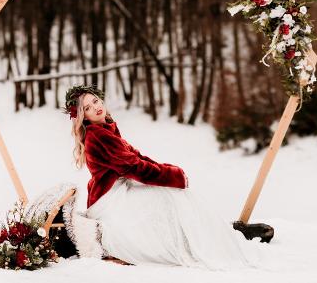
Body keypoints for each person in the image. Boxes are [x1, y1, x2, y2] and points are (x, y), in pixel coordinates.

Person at [63, 83, 268, 271]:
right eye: (88, 107)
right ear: (84, 116)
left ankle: (208, 235)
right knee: (168, 198)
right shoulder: (99, 135)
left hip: (117, 188)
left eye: (96, 101)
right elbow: (134, 167)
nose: (96, 107)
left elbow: (135, 156)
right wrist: (173, 176)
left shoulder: (104, 127)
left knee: (170, 194)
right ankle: (198, 242)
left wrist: (167, 170)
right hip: (110, 197)